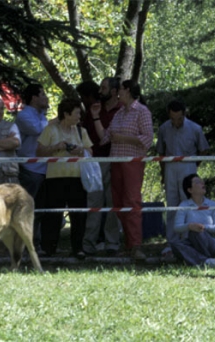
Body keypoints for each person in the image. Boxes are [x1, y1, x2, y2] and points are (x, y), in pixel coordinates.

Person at [90, 80, 154, 261]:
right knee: (118, 202)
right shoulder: (119, 113)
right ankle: (128, 243)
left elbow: (147, 139)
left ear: (130, 91)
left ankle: (136, 244)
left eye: (122, 90)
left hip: (132, 162)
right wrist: (95, 117)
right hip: (116, 162)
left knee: (132, 201)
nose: (119, 94)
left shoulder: (142, 111)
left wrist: (123, 138)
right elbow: (104, 137)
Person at [36, 98, 93, 258]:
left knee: (79, 215)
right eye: (76, 113)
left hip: (77, 178)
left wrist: (80, 150)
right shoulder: (50, 130)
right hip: (55, 178)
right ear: (66, 114)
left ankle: (78, 249)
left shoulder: (82, 131)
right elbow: (39, 152)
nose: (79, 117)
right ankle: (49, 248)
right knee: (52, 215)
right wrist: (56, 147)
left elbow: (90, 152)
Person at [156, 99, 209, 255]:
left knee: (187, 203)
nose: (176, 122)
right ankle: (171, 242)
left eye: (179, 118)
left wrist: (194, 165)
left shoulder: (195, 128)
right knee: (172, 203)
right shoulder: (164, 128)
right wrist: (163, 172)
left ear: (184, 114)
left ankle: (187, 240)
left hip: (188, 164)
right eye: (173, 118)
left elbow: (203, 149)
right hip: (170, 166)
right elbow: (161, 151)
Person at [79, 78, 122, 256]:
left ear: (113, 91)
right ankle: (89, 244)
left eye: (103, 88)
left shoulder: (122, 110)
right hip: (94, 162)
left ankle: (112, 243)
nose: (100, 91)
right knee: (94, 202)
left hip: (115, 160)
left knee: (112, 202)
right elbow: (86, 134)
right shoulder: (93, 110)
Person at [15, 83, 49, 253]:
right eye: (42, 94)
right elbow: (39, 130)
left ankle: (36, 243)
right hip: (30, 169)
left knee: (40, 209)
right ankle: (23, 244)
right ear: (34, 97)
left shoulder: (42, 115)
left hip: (44, 169)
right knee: (26, 209)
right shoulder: (24, 116)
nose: (46, 97)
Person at [170, 174, 215, 268]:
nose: (202, 183)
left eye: (202, 181)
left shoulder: (212, 204)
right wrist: (189, 226)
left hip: (210, 243)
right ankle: (207, 261)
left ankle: (200, 259)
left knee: (195, 232)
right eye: (197, 182)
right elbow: (177, 227)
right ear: (190, 190)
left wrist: (203, 227)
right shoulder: (184, 205)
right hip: (191, 242)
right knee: (175, 245)